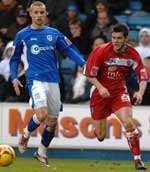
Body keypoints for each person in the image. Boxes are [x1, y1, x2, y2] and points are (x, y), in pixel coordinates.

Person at [9, 1, 85, 167]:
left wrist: (82, 63)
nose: (38, 15)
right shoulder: (22, 35)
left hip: (53, 80)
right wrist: (14, 77)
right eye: (35, 12)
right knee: (42, 114)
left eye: (41, 12)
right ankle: (26, 133)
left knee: (52, 122)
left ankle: (41, 152)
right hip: (35, 79)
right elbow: (14, 59)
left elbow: (68, 50)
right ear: (30, 13)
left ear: (45, 14)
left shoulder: (54, 33)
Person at [85, 23, 148, 170]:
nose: (116, 41)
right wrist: (100, 88)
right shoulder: (101, 51)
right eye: (113, 38)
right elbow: (89, 75)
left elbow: (143, 76)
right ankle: (104, 123)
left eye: (119, 38)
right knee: (100, 136)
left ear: (126, 38)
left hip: (119, 92)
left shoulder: (133, 54)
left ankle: (137, 160)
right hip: (100, 94)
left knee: (128, 123)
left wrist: (140, 92)